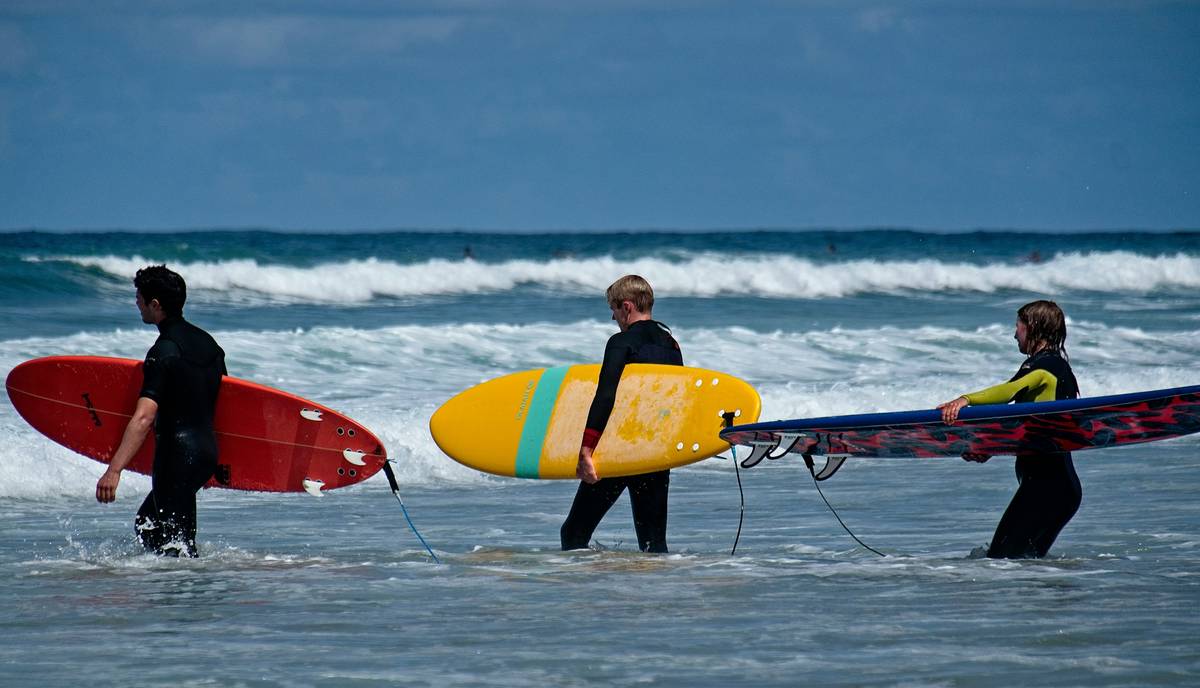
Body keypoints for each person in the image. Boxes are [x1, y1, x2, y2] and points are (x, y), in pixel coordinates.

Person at [95, 265, 226, 557]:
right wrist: (216, 464)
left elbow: (144, 417)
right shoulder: (211, 345)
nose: (136, 303)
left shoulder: (163, 351)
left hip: (177, 456)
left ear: (156, 305)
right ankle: (191, 591)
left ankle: (184, 596)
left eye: (139, 298)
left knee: (175, 546)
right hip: (204, 455)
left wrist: (113, 471)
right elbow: (222, 405)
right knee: (150, 525)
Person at [937, 300, 1081, 559]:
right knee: (1029, 567)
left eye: (1018, 326)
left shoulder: (1045, 367)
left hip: (1045, 488)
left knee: (999, 561)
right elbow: (1033, 427)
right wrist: (991, 448)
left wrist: (965, 400)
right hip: (1059, 489)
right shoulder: (1057, 367)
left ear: (1034, 327)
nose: (1015, 334)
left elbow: (1007, 391)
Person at [561, 275, 683, 553]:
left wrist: (586, 450)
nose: (613, 318)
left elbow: (605, 396)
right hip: (654, 451)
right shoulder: (671, 345)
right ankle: (657, 594)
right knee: (653, 543)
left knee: (573, 532)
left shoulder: (621, 341)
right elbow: (674, 401)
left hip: (620, 448)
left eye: (614, 311)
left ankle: (583, 590)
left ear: (626, 307)